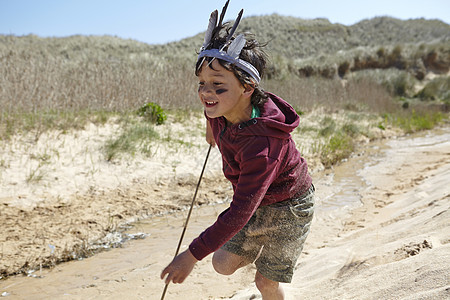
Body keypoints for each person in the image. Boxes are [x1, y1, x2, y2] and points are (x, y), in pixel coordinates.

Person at [161, 2, 314, 299]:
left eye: (218, 85)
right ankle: (265, 256)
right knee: (222, 263)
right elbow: (211, 121)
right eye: (202, 83)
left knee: (265, 283)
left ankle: (271, 272)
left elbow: (240, 211)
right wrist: (212, 127)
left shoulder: (264, 146)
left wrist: (190, 256)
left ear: (247, 87)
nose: (206, 92)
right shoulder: (220, 107)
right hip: (258, 201)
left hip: (290, 206)